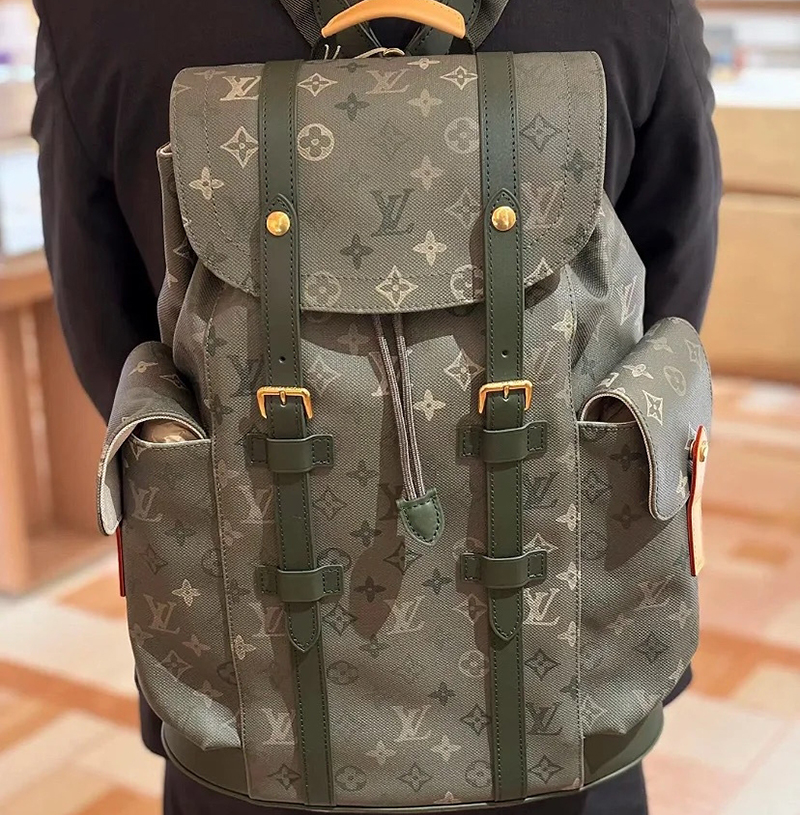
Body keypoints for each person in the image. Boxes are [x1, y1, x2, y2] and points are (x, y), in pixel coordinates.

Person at [32, 1, 721, 813]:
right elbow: (666, 302)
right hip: (564, 707)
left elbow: (108, 335)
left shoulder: (93, 17)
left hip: (249, 718)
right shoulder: (639, 11)